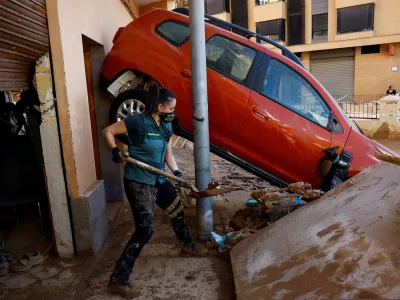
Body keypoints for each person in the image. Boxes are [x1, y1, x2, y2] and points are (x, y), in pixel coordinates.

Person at [102, 82, 203, 298]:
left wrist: (177, 173)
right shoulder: (138, 122)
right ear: (159, 107)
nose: (173, 113)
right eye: (171, 109)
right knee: (145, 229)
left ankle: (187, 245)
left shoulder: (166, 127)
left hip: (158, 177)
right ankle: (118, 279)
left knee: (176, 209)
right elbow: (108, 131)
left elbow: (168, 155)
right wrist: (115, 151)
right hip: (138, 182)